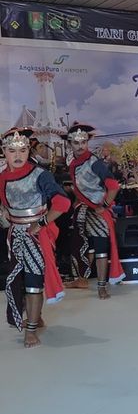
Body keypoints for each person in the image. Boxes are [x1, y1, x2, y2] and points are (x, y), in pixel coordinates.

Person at [0, 128, 71, 348]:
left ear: (28, 149)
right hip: (14, 234)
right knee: (16, 280)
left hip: (36, 235)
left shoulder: (40, 174)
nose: (18, 155)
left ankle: (30, 329)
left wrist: (40, 224)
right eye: (12, 150)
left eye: (22, 150)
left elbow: (63, 203)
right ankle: (34, 316)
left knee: (33, 281)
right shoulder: (2, 177)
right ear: (4, 152)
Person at [65, 124, 126, 298]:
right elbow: (79, 188)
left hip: (98, 210)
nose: (80, 146)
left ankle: (101, 286)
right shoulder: (73, 162)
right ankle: (81, 280)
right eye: (76, 143)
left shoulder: (94, 162)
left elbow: (113, 187)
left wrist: (104, 206)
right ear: (70, 143)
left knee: (100, 248)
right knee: (82, 248)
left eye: (83, 142)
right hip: (83, 209)